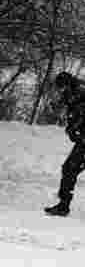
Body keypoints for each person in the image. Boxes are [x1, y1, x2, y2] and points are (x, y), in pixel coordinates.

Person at [44, 71, 85, 217]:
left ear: (66, 85)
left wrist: (75, 128)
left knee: (69, 169)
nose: (60, 91)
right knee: (69, 169)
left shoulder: (79, 93)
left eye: (60, 88)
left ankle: (63, 206)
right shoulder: (72, 92)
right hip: (82, 140)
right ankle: (63, 206)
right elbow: (61, 107)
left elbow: (78, 114)